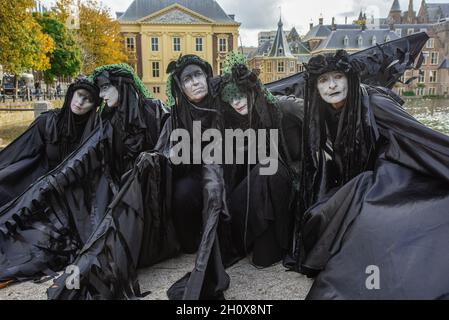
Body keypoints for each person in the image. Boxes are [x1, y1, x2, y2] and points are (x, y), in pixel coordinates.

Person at [293, 50, 449, 299]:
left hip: (394, 174)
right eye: (323, 80)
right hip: (367, 176)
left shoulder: (375, 104)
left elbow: (422, 137)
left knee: (372, 221)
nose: (331, 85)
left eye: (337, 77)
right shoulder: (328, 110)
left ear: (349, 78)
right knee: (318, 215)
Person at [0, 76, 100, 207]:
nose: (80, 102)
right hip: (42, 188)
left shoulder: (97, 130)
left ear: (94, 106)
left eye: (88, 100)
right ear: (72, 93)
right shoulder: (47, 121)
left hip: (76, 195)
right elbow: (19, 151)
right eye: (79, 95)